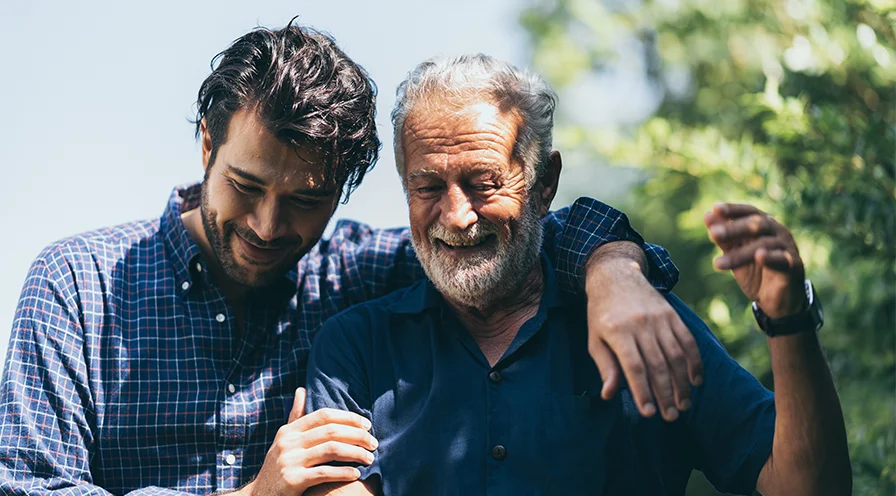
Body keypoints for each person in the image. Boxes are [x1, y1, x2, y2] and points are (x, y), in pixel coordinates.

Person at [0, 22, 701, 496]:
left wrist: (614, 270)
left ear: (343, 192)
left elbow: (517, 231)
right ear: (207, 147)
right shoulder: (75, 286)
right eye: (246, 187)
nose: (269, 227)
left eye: (306, 199)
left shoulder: (358, 274)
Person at [304, 54, 852, 495]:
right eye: (427, 187)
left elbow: (808, 487)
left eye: (484, 182)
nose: (456, 215)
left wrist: (789, 318)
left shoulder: (643, 322)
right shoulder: (355, 349)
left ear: (545, 183)